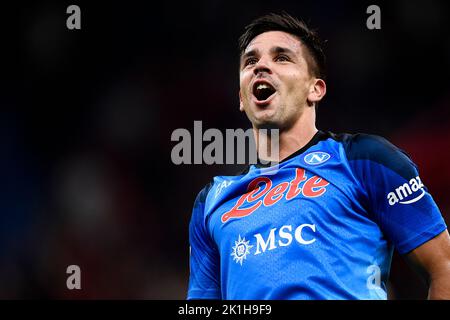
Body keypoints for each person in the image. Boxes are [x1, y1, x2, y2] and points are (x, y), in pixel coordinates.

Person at [187, 12, 450, 299]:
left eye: (282, 58)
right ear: (241, 97)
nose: (261, 66)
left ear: (315, 88)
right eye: (251, 61)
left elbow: (443, 267)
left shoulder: (365, 160)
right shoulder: (211, 201)